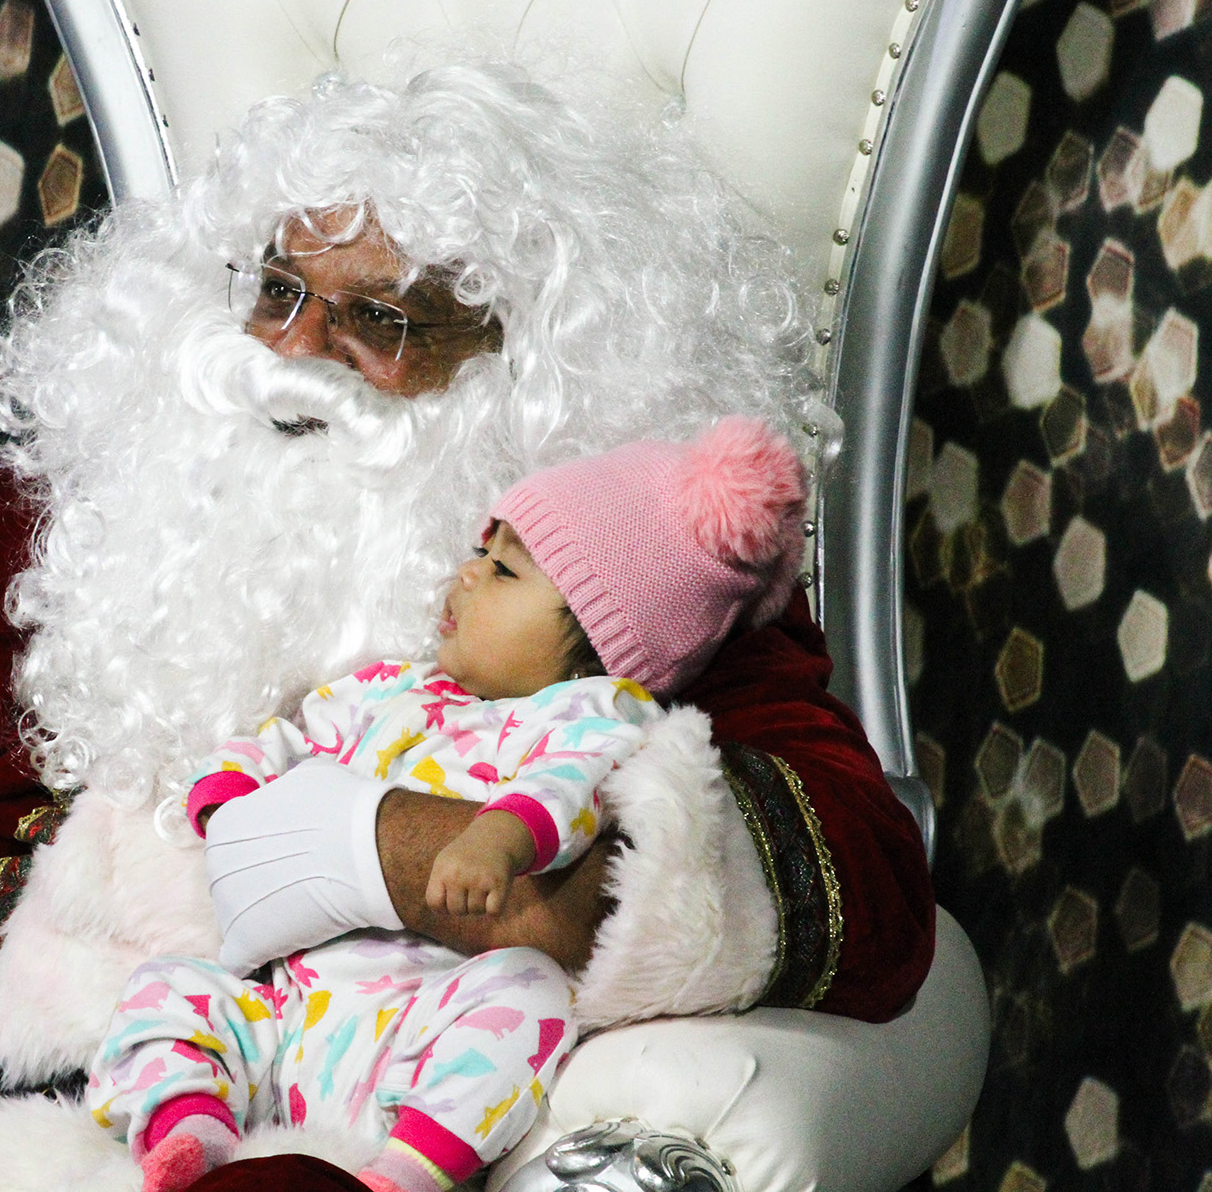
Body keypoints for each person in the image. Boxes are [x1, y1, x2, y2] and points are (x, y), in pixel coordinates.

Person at [0, 62, 933, 1192]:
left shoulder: (609, 605)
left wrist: (410, 858)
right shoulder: (50, 529)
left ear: (534, 379)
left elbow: (854, 878)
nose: (292, 353)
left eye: (382, 318)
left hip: (304, 1144)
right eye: (277, 288)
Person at [86, 418, 807, 1192]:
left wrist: (499, 835)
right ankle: (192, 1127)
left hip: (420, 1017)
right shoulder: (388, 688)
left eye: (504, 574)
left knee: (526, 994)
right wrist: (227, 794)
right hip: (292, 1006)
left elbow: (570, 784)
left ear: (599, 640)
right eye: (478, 554)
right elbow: (287, 739)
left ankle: (411, 1167)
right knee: (170, 986)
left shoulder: (594, 710)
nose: (465, 577)